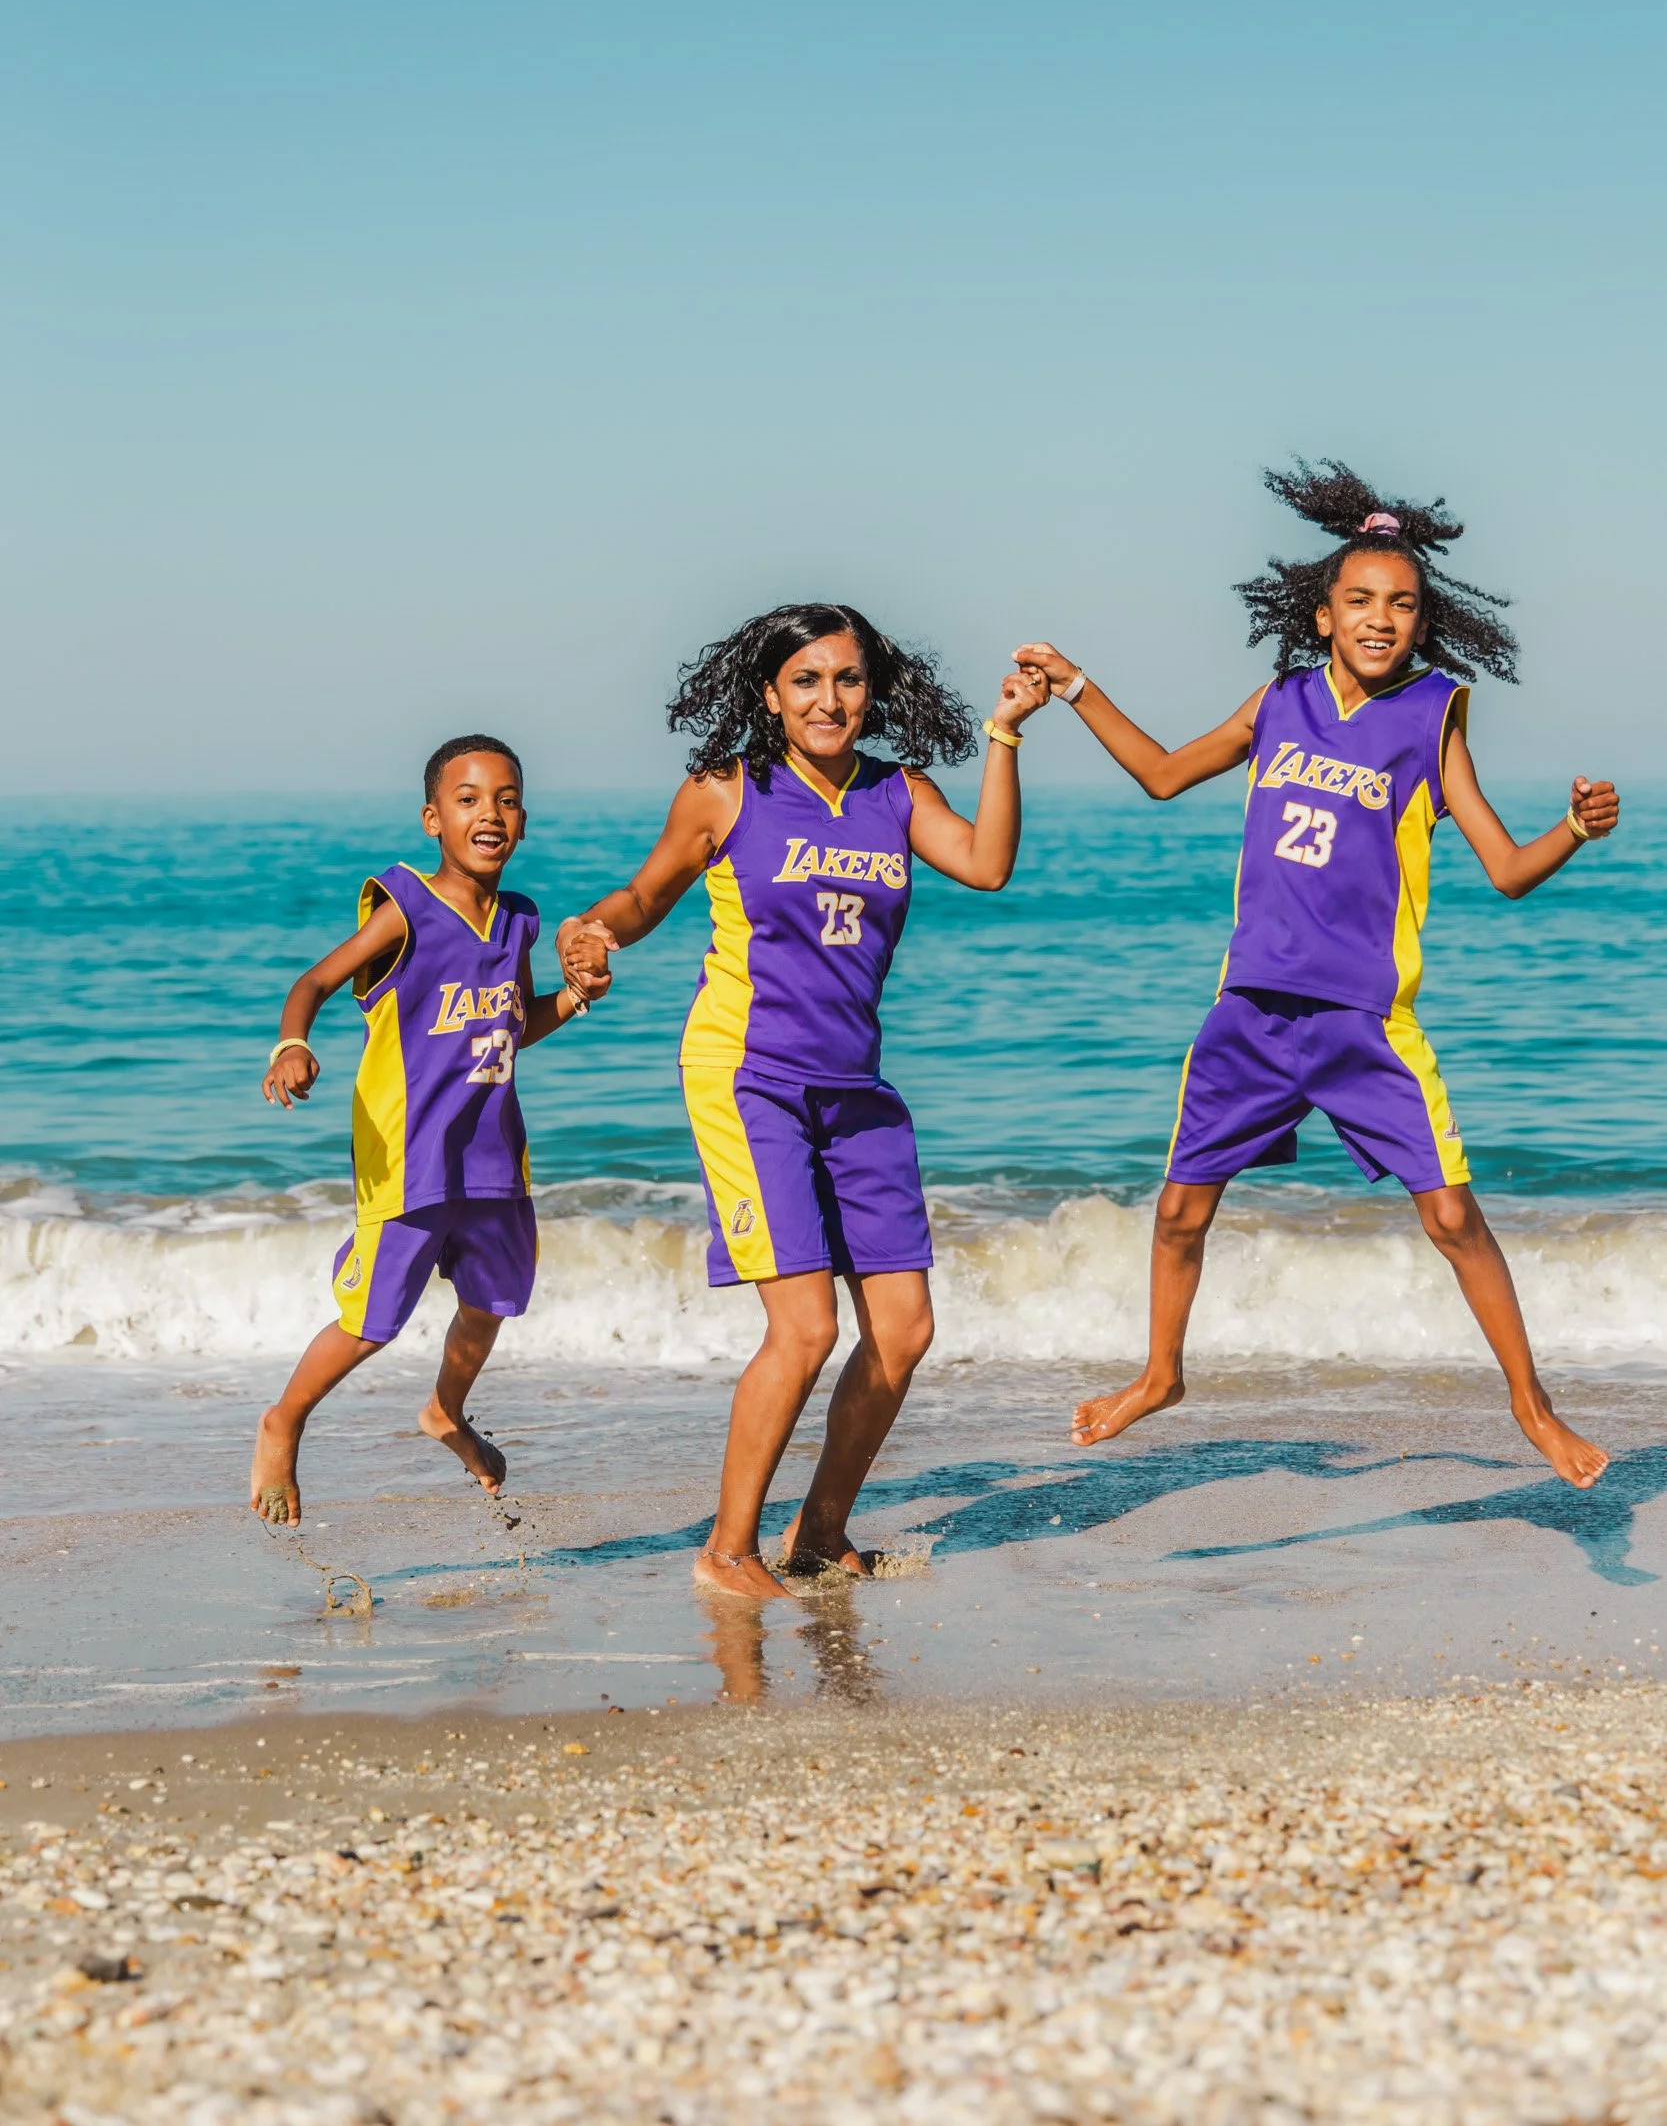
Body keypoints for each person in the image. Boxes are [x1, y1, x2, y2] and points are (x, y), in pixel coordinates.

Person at [1015, 461, 1619, 1490]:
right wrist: (1072, 690)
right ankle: (1158, 1373)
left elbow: (1507, 872)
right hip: (1249, 1013)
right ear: (1322, 613)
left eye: (1400, 605)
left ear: (1421, 622)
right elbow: (1161, 774)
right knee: (1175, 1213)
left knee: (1448, 1216)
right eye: (1359, 602)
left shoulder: (1431, 716)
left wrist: (1571, 827)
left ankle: (1531, 1403)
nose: (1379, 619)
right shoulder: (1278, 701)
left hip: (1363, 1025)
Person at [557, 603, 1048, 1598]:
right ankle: (726, 1548)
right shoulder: (726, 791)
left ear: (872, 689)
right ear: (769, 695)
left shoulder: (896, 793)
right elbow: (644, 896)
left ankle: (818, 1531)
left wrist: (1003, 735)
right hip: (749, 1076)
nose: (830, 700)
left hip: (854, 1086)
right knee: (805, 1326)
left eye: (848, 680)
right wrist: (590, 933)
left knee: (903, 1328)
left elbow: (987, 865)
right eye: (806, 681)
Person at [249, 736, 604, 1528]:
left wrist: (577, 997)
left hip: (492, 1154)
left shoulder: (517, 922)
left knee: (494, 1300)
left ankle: (446, 1410)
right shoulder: (405, 906)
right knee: (373, 1321)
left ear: (523, 821)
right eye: (469, 798)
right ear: (432, 818)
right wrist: (293, 1042)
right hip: (409, 1157)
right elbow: (314, 981)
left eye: (506, 799)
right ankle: (284, 1421)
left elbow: (511, 1025)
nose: (490, 813)